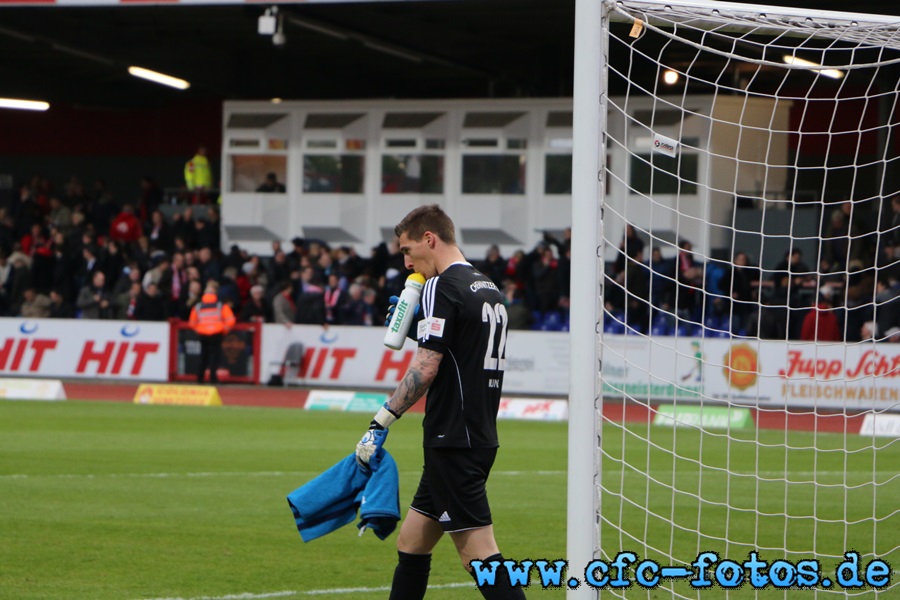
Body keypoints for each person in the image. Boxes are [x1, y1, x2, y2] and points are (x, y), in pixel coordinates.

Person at [354, 204, 526, 600]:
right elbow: (458, 351)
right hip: (476, 435)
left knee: (480, 556)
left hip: (453, 441)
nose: (406, 260)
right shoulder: (487, 287)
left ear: (429, 239)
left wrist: (380, 421)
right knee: (412, 543)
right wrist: (417, 328)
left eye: (407, 249)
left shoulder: (440, 286)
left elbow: (426, 369)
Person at [188, 281, 236, 384]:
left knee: (203, 357)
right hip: (216, 334)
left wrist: (198, 329)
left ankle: (199, 378)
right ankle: (213, 379)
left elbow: (192, 322)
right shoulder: (220, 306)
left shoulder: (198, 306)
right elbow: (231, 320)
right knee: (214, 357)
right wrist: (224, 330)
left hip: (203, 334)